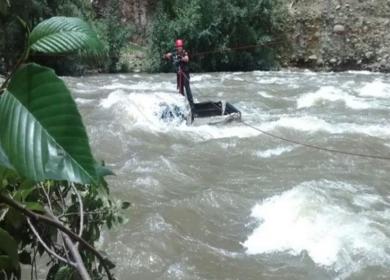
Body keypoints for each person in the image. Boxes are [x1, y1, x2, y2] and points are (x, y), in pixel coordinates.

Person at [163, 39, 194, 109]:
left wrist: (182, 58)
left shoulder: (184, 52)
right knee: (180, 91)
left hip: (185, 74)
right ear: (176, 47)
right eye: (178, 46)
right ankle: (182, 106)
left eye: (180, 46)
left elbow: (187, 59)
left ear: (182, 47)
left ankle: (192, 106)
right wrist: (166, 56)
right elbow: (166, 56)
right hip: (179, 75)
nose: (180, 48)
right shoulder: (174, 53)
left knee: (187, 89)